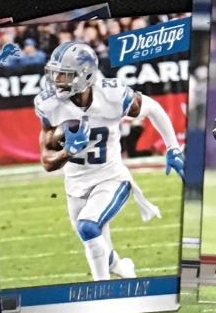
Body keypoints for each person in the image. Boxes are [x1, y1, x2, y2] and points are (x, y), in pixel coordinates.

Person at [35, 39, 184, 283]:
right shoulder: (50, 105)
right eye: (55, 73)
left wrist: (173, 148)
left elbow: (153, 108)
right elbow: (47, 161)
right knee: (97, 245)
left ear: (84, 75)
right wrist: (67, 152)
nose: (56, 80)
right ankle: (122, 266)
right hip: (75, 185)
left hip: (111, 177)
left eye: (64, 74)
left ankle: (102, 296)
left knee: (88, 227)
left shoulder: (112, 94)